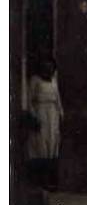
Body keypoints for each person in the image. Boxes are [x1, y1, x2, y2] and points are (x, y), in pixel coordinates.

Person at [27, 58, 63, 189]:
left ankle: (51, 180)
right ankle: (40, 180)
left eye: (51, 67)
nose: (48, 70)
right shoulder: (35, 80)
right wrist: (34, 116)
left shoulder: (54, 80)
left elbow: (58, 99)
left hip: (53, 115)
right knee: (40, 144)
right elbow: (29, 100)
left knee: (52, 144)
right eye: (45, 67)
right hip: (41, 112)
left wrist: (61, 114)